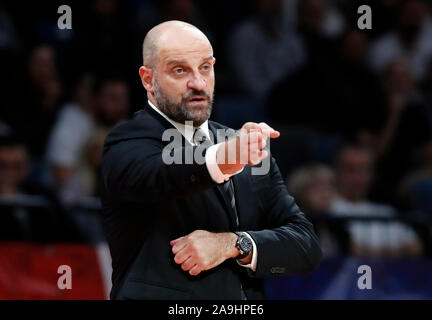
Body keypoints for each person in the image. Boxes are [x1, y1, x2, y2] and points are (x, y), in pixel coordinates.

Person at [101, 20, 322, 300]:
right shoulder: (127, 140)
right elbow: (159, 173)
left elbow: (306, 246)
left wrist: (234, 244)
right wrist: (226, 158)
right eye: (179, 70)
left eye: (205, 67)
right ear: (148, 79)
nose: (198, 83)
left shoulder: (245, 148)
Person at [330, 145, 423, 257]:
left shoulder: (385, 212)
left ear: (371, 174)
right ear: (336, 171)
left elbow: (415, 247)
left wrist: (370, 252)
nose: (357, 177)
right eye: (350, 169)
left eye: (363, 170)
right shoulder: (327, 208)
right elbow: (352, 249)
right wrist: (393, 253)